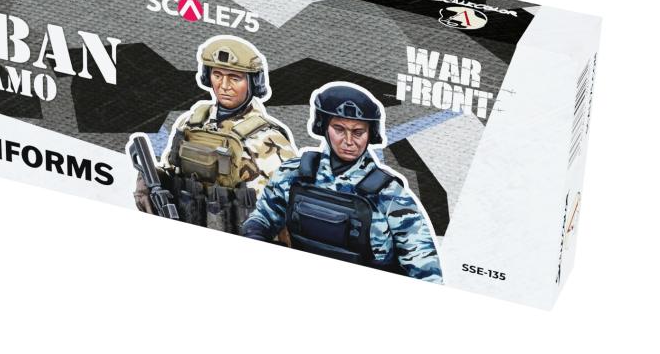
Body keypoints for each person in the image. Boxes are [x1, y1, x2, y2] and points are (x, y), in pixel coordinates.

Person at [242, 83, 442, 282]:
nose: (348, 141)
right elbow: (262, 219)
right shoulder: (292, 173)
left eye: (358, 132)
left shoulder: (390, 195)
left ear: (370, 134)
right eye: (339, 129)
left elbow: (425, 268)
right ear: (323, 127)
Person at [133, 35, 297, 230]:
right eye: (217, 75)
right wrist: (151, 179)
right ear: (207, 76)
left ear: (253, 82)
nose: (224, 85)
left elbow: (289, 206)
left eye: (235, 78)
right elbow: (172, 170)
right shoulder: (192, 123)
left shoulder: (268, 138)